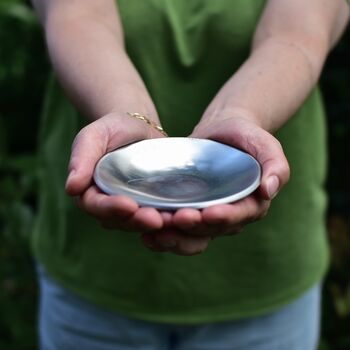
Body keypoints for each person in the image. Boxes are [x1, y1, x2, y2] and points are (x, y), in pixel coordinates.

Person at [31, 0, 349, 349]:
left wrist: (240, 113)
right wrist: (127, 112)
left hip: (261, 279)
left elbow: (298, 33)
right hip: (93, 277)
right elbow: (77, 16)